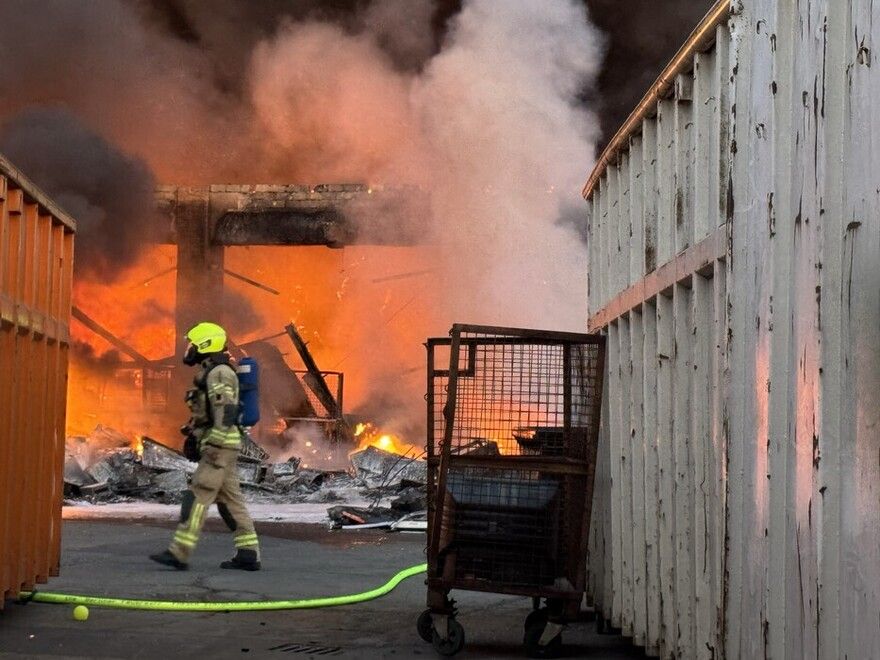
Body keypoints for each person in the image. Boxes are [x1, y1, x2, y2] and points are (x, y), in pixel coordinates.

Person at [149, 322, 261, 571]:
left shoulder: (219, 373)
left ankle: (179, 553)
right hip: (224, 444)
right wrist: (193, 432)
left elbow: (225, 409)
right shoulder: (214, 371)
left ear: (205, 344)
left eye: (193, 344)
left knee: (198, 495)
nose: (189, 349)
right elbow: (211, 411)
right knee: (231, 501)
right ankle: (248, 553)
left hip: (219, 446)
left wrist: (213, 444)